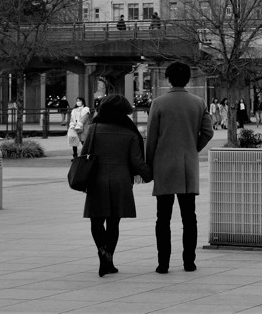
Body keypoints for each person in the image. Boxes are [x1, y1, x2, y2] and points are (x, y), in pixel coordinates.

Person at [146, 62, 213, 274]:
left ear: (168, 79)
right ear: (188, 80)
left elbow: (151, 138)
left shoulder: (158, 103)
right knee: (189, 217)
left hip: (164, 165)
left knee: (162, 218)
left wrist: (149, 164)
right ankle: (189, 262)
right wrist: (193, 148)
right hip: (187, 166)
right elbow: (208, 132)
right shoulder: (198, 102)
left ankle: (163, 263)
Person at [82, 94, 152, 277]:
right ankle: (109, 259)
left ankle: (102, 252)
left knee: (96, 220)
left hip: (97, 180)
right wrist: (149, 175)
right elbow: (137, 162)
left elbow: (84, 155)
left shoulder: (94, 129)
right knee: (113, 222)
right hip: (121, 180)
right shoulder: (130, 132)